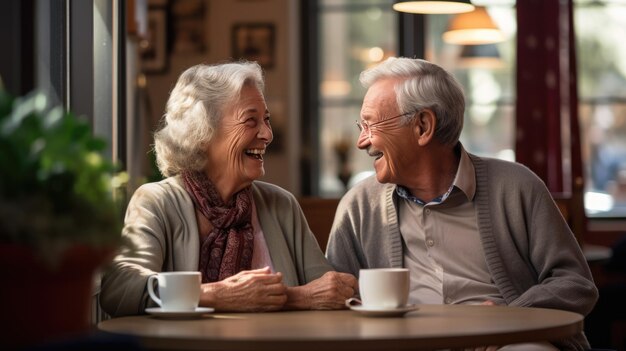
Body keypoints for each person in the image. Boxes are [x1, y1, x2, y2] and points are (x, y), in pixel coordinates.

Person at [325, 57, 598, 350]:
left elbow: (575, 285)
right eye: (360, 126)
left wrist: (511, 319)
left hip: (508, 341)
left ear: (423, 126)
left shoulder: (516, 186)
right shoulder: (359, 205)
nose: (361, 142)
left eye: (371, 124)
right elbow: (334, 298)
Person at [101, 61, 357, 317]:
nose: (267, 134)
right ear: (202, 132)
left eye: (266, 120)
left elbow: (330, 293)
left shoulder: (281, 204)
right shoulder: (157, 202)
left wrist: (288, 298)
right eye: (251, 121)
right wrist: (216, 296)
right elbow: (120, 290)